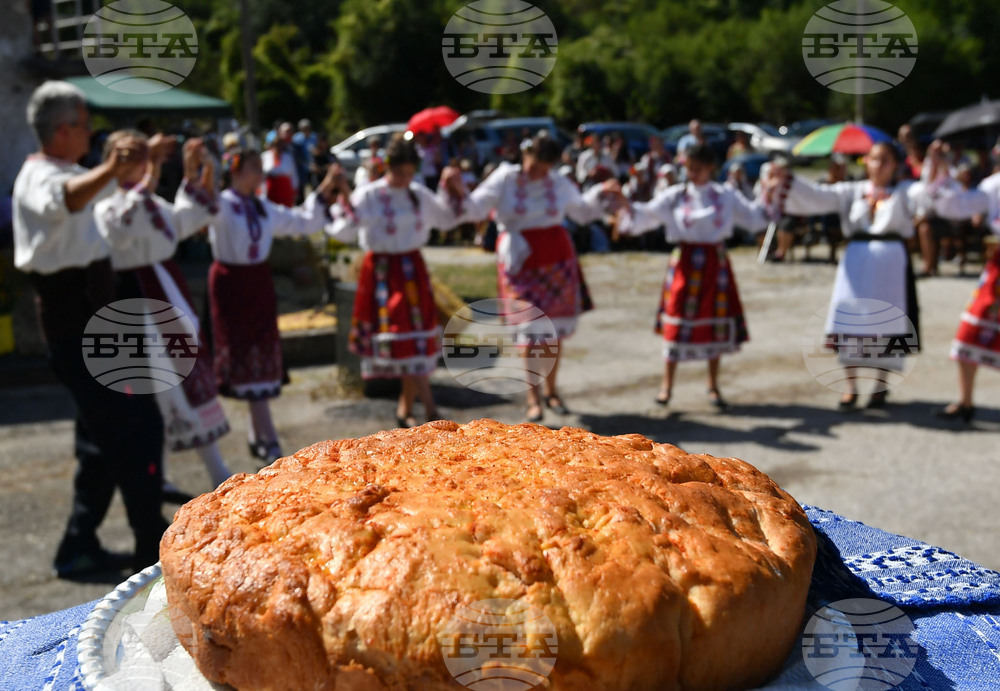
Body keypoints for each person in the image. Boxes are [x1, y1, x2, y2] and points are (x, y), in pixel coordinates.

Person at [12, 81, 167, 576]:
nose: (89, 131)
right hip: (74, 318)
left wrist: (146, 164)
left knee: (103, 438)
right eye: (83, 123)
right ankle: (150, 541)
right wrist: (109, 168)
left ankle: (79, 544)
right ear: (62, 130)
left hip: (99, 314)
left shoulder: (75, 173)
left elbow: (105, 202)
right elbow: (68, 201)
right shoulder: (39, 176)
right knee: (132, 428)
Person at [446, 131, 618, 422]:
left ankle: (552, 390)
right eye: (533, 165)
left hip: (556, 257)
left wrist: (603, 191)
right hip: (521, 261)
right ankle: (533, 396)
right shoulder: (505, 178)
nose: (537, 172)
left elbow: (583, 211)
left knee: (553, 331)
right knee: (529, 328)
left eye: (543, 168)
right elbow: (476, 207)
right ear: (524, 155)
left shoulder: (558, 181)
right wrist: (456, 188)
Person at [94, 131, 233, 487]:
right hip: (135, 298)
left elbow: (185, 221)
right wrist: (152, 170)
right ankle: (157, 472)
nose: (142, 165)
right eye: (135, 157)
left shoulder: (148, 199)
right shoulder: (106, 204)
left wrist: (194, 173)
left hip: (165, 290)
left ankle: (211, 466)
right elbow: (121, 226)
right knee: (155, 385)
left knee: (185, 375)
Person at [771, 142, 932, 410]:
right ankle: (851, 385)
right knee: (852, 322)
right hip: (856, 262)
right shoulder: (852, 191)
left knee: (887, 321)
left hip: (891, 264)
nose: (879, 165)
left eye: (885, 160)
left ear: (894, 165)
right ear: (865, 162)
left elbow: (928, 194)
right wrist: (787, 176)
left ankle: (880, 385)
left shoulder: (904, 191)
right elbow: (818, 195)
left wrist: (932, 166)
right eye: (874, 159)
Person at [615, 144, 773, 408]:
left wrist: (769, 193)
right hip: (685, 263)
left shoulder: (725, 195)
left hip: (714, 262)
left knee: (714, 324)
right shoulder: (675, 195)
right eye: (688, 168)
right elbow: (647, 214)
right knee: (676, 322)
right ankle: (667, 385)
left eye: (697, 169)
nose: (692, 174)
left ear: (711, 167)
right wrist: (623, 205)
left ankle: (713, 385)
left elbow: (753, 217)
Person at [209, 147, 339, 464]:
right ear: (235, 170)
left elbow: (301, 221)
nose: (261, 174)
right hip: (232, 285)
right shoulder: (220, 204)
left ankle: (260, 435)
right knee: (245, 354)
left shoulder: (262, 206)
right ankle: (267, 436)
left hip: (257, 283)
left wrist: (325, 187)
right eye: (254, 167)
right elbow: (195, 208)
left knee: (262, 353)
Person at [327, 135, 464, 427]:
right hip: (383, 274)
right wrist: (343, 197)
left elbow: (445, 219)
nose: (404, 179)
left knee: (415, 340)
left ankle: (410, 408)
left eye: (409, 173)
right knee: (406, 337)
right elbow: (346, 230)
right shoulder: (370, 195)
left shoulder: (417, 193)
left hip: (412, 270)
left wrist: (449, 187)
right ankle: (428, 409)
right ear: (387, 167)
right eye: (399, 173)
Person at [922, 141, 1000, 422]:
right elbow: (953, 206)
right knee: (970, 330)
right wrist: (941, 168)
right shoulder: (995, 185)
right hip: (998, 271)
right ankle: (966, 402)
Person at [261, 122, 299, 207]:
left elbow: (293, 174)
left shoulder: (288, 157)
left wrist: (295, 189)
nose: (278, 147)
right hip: (270, 191)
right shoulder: (265, 156)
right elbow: (261, 175)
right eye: (276, 144)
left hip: (285, 191)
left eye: (280, 144)